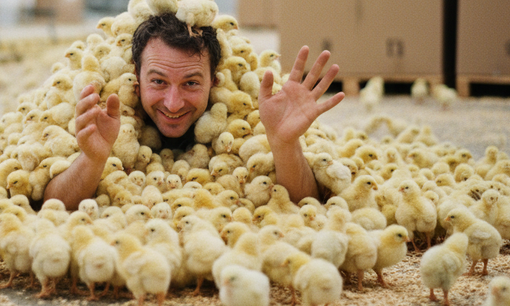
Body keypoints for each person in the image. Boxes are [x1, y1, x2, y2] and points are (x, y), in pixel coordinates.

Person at [43, 13, 344, 210]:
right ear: (136, 76)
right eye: (159, 81)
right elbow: (50, 206)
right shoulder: (94, 112)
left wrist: (284, 144)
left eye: (190, 83)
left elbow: (308, 204)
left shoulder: (258, 114)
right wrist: (92, 159)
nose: (173, 103)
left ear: (215, 81)